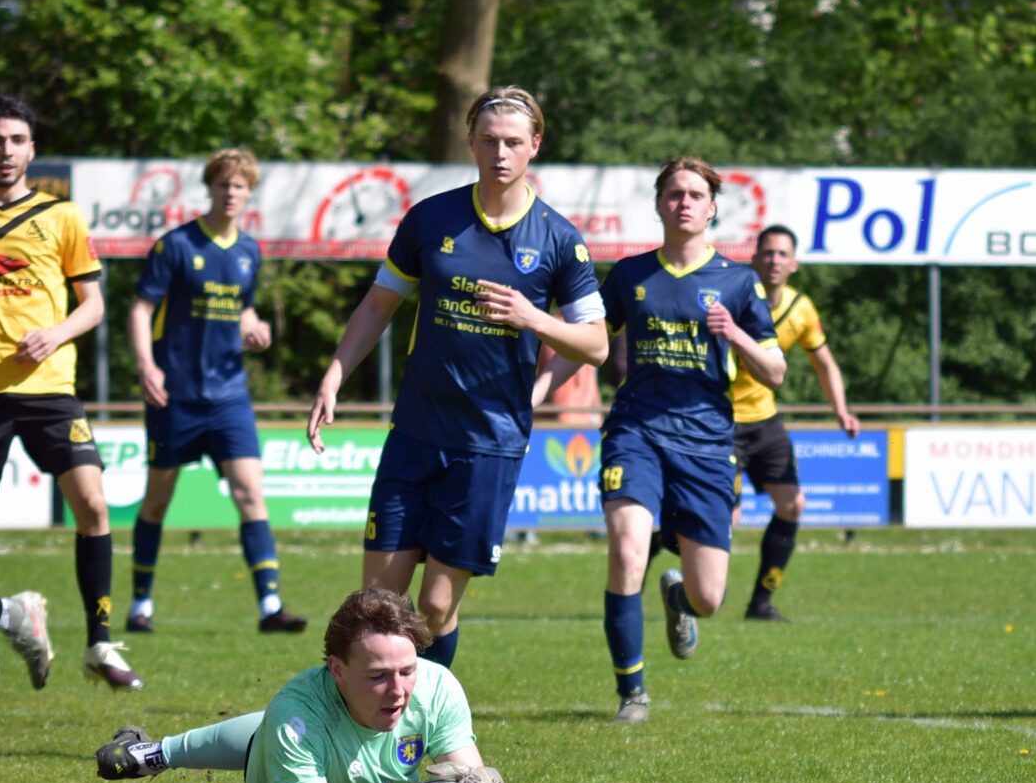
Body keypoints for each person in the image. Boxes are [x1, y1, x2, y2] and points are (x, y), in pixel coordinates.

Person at [303, 87, 606, 669]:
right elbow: (377, 306)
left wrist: (532, 318)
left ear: (534, 146)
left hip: (488, 445)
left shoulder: (559, 239)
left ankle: (432, 718)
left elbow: (595, 342)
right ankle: (383, 738)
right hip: (415, 432)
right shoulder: (430, 219)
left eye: (513, 142)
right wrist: (334, 375)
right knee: (378, 609)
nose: (500, 152)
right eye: (488, 139)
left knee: (435, 609)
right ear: (470, 140)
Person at [90, 587, 529, 783]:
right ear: (337, 669)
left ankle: (153, 752)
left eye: (407, 671)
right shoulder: (297, 716)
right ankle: (152, 754)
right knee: (273, 732)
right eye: (377, 676)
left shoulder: (436, 686)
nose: (398, 690)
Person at [589, 158, 782, 724]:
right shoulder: (628, 275)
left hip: (705, 443)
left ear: (713, 207)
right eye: (674, 194)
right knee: (627, 549)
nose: (685, 203)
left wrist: (736, 332)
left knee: (709, 599)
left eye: (696, 194)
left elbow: (775, 371)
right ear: (659, 204)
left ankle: (679, 601)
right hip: (636, 431)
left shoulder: (739, 282)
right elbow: (592, 340)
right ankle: (633, 693)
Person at [0, 93, 138, 700]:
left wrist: (55, 332)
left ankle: (100, 642)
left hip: (49, 390)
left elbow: (94, 304)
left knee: (93, 504)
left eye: (15, 141)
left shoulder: (62, 217)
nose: (4, 151)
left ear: (32, 150)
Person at [124, 148, 305, 637]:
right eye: (224, 184)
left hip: (229, 397)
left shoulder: (249, 251)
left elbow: (242, 309)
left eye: (240, 186)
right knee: (158, 500)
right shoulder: (176, 246)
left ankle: (271, 605)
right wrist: (147, 366)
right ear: (211, 188)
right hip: (176, 395)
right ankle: (140, 603)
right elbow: (141, 310)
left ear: (249, 192)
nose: (231, 193)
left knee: (250, 493)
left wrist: (256, 325)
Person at [725, 223, 859, 622]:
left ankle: (761, 603)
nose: (774, 261)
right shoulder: (733, 297)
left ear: (795, 263)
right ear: (754, 258)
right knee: (723, 519)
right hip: (722, 421)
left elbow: (824, 363)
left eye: (783, 254)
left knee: (793, 504)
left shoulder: (801, 309)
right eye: (767, 253)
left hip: (764, 421)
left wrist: (841, 410)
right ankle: (667, 563)